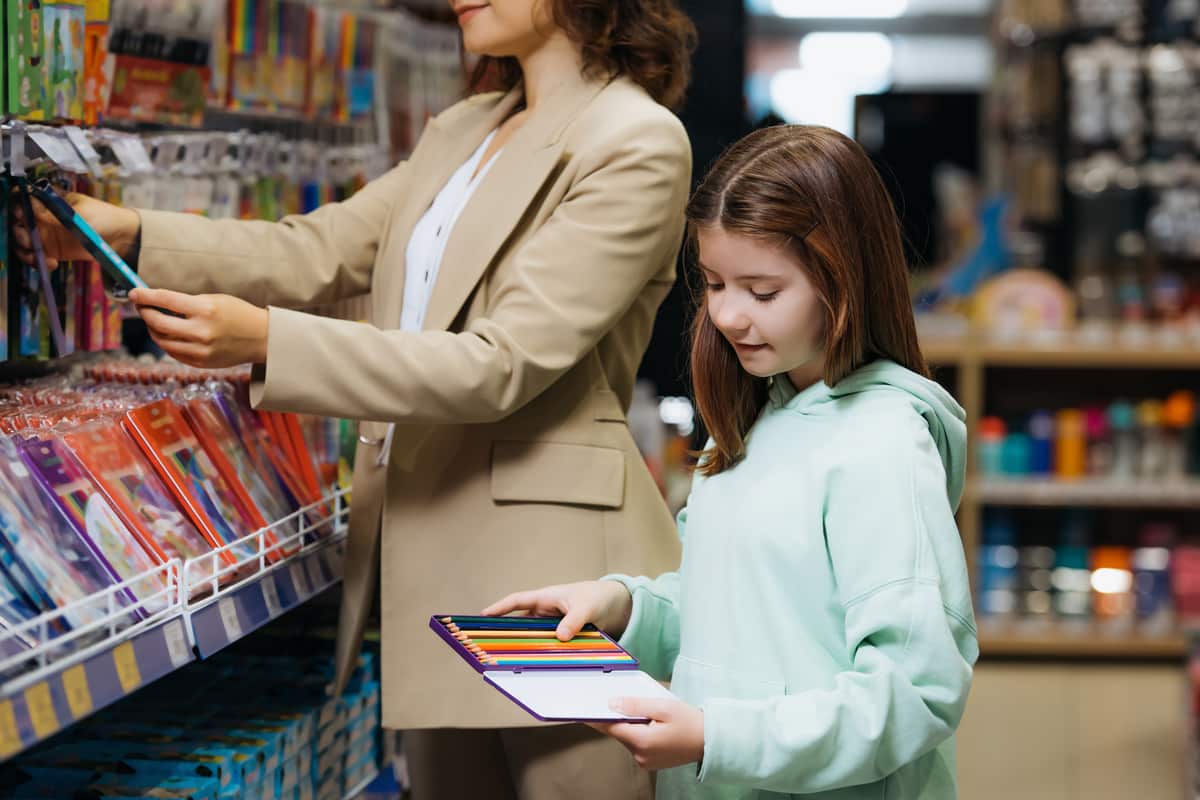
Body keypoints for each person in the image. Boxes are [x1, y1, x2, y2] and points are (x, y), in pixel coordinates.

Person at [14, 2, 697, 797]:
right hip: (432, 552)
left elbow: (499, 362)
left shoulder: (636, 141)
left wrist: (271, 341)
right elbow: (318, 249)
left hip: (557, 583)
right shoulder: (468, 128)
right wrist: (129, 232)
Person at [485, 125, 979, 800]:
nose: (728, 315)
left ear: (845, 275)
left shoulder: (883, 446)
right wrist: (622, 606)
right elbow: (730, 604)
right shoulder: (755, 417)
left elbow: (914, 691)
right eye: (715, 283)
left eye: (763, 291)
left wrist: (720, 737)